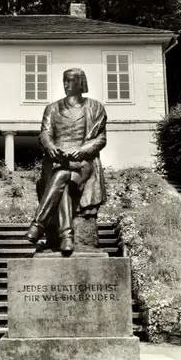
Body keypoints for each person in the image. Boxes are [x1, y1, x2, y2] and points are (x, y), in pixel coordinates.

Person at [25, 68, 107, 255]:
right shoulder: (52, 108)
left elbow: (101, 139)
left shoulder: (95, 107)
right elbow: (45, 133)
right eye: (64, 80)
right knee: (62, 176)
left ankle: (39, 225)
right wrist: (51, 147)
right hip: (56, 161)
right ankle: (67, 237)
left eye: (70, 80)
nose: (66, 84)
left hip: (82, 163)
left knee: (61, 176)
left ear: (81, 83)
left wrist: (82, 151)